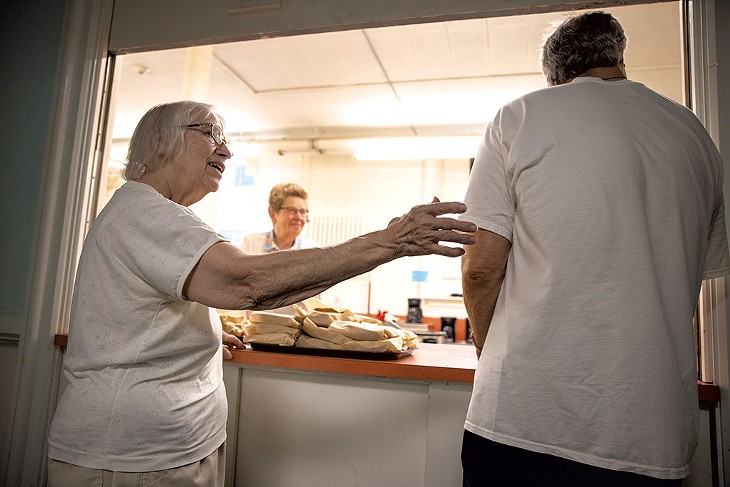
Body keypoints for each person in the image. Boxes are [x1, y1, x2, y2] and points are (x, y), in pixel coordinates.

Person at [46, 100, 477, 487]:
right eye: (210, 133)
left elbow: (160, 307)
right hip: (131, 456)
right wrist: (391, 242)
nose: (226, 150)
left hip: (161, 450)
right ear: (160, 142)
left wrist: (207, 332)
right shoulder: (147, 213)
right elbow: (246, 284)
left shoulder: (148, 213)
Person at [459, 11, 730, 487]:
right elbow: (691, 276)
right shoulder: (695, 135)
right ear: (618, 58)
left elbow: (481, 266)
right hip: (654, 433)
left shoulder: (520, 116)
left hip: (528, 421)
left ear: (555, 73)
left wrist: (488, 351)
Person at [241, 182, 318, 254]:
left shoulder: (311, 249)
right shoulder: (251, 243)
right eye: (291, 210)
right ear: (273, 214)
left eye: (302, 211)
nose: (298, 217)